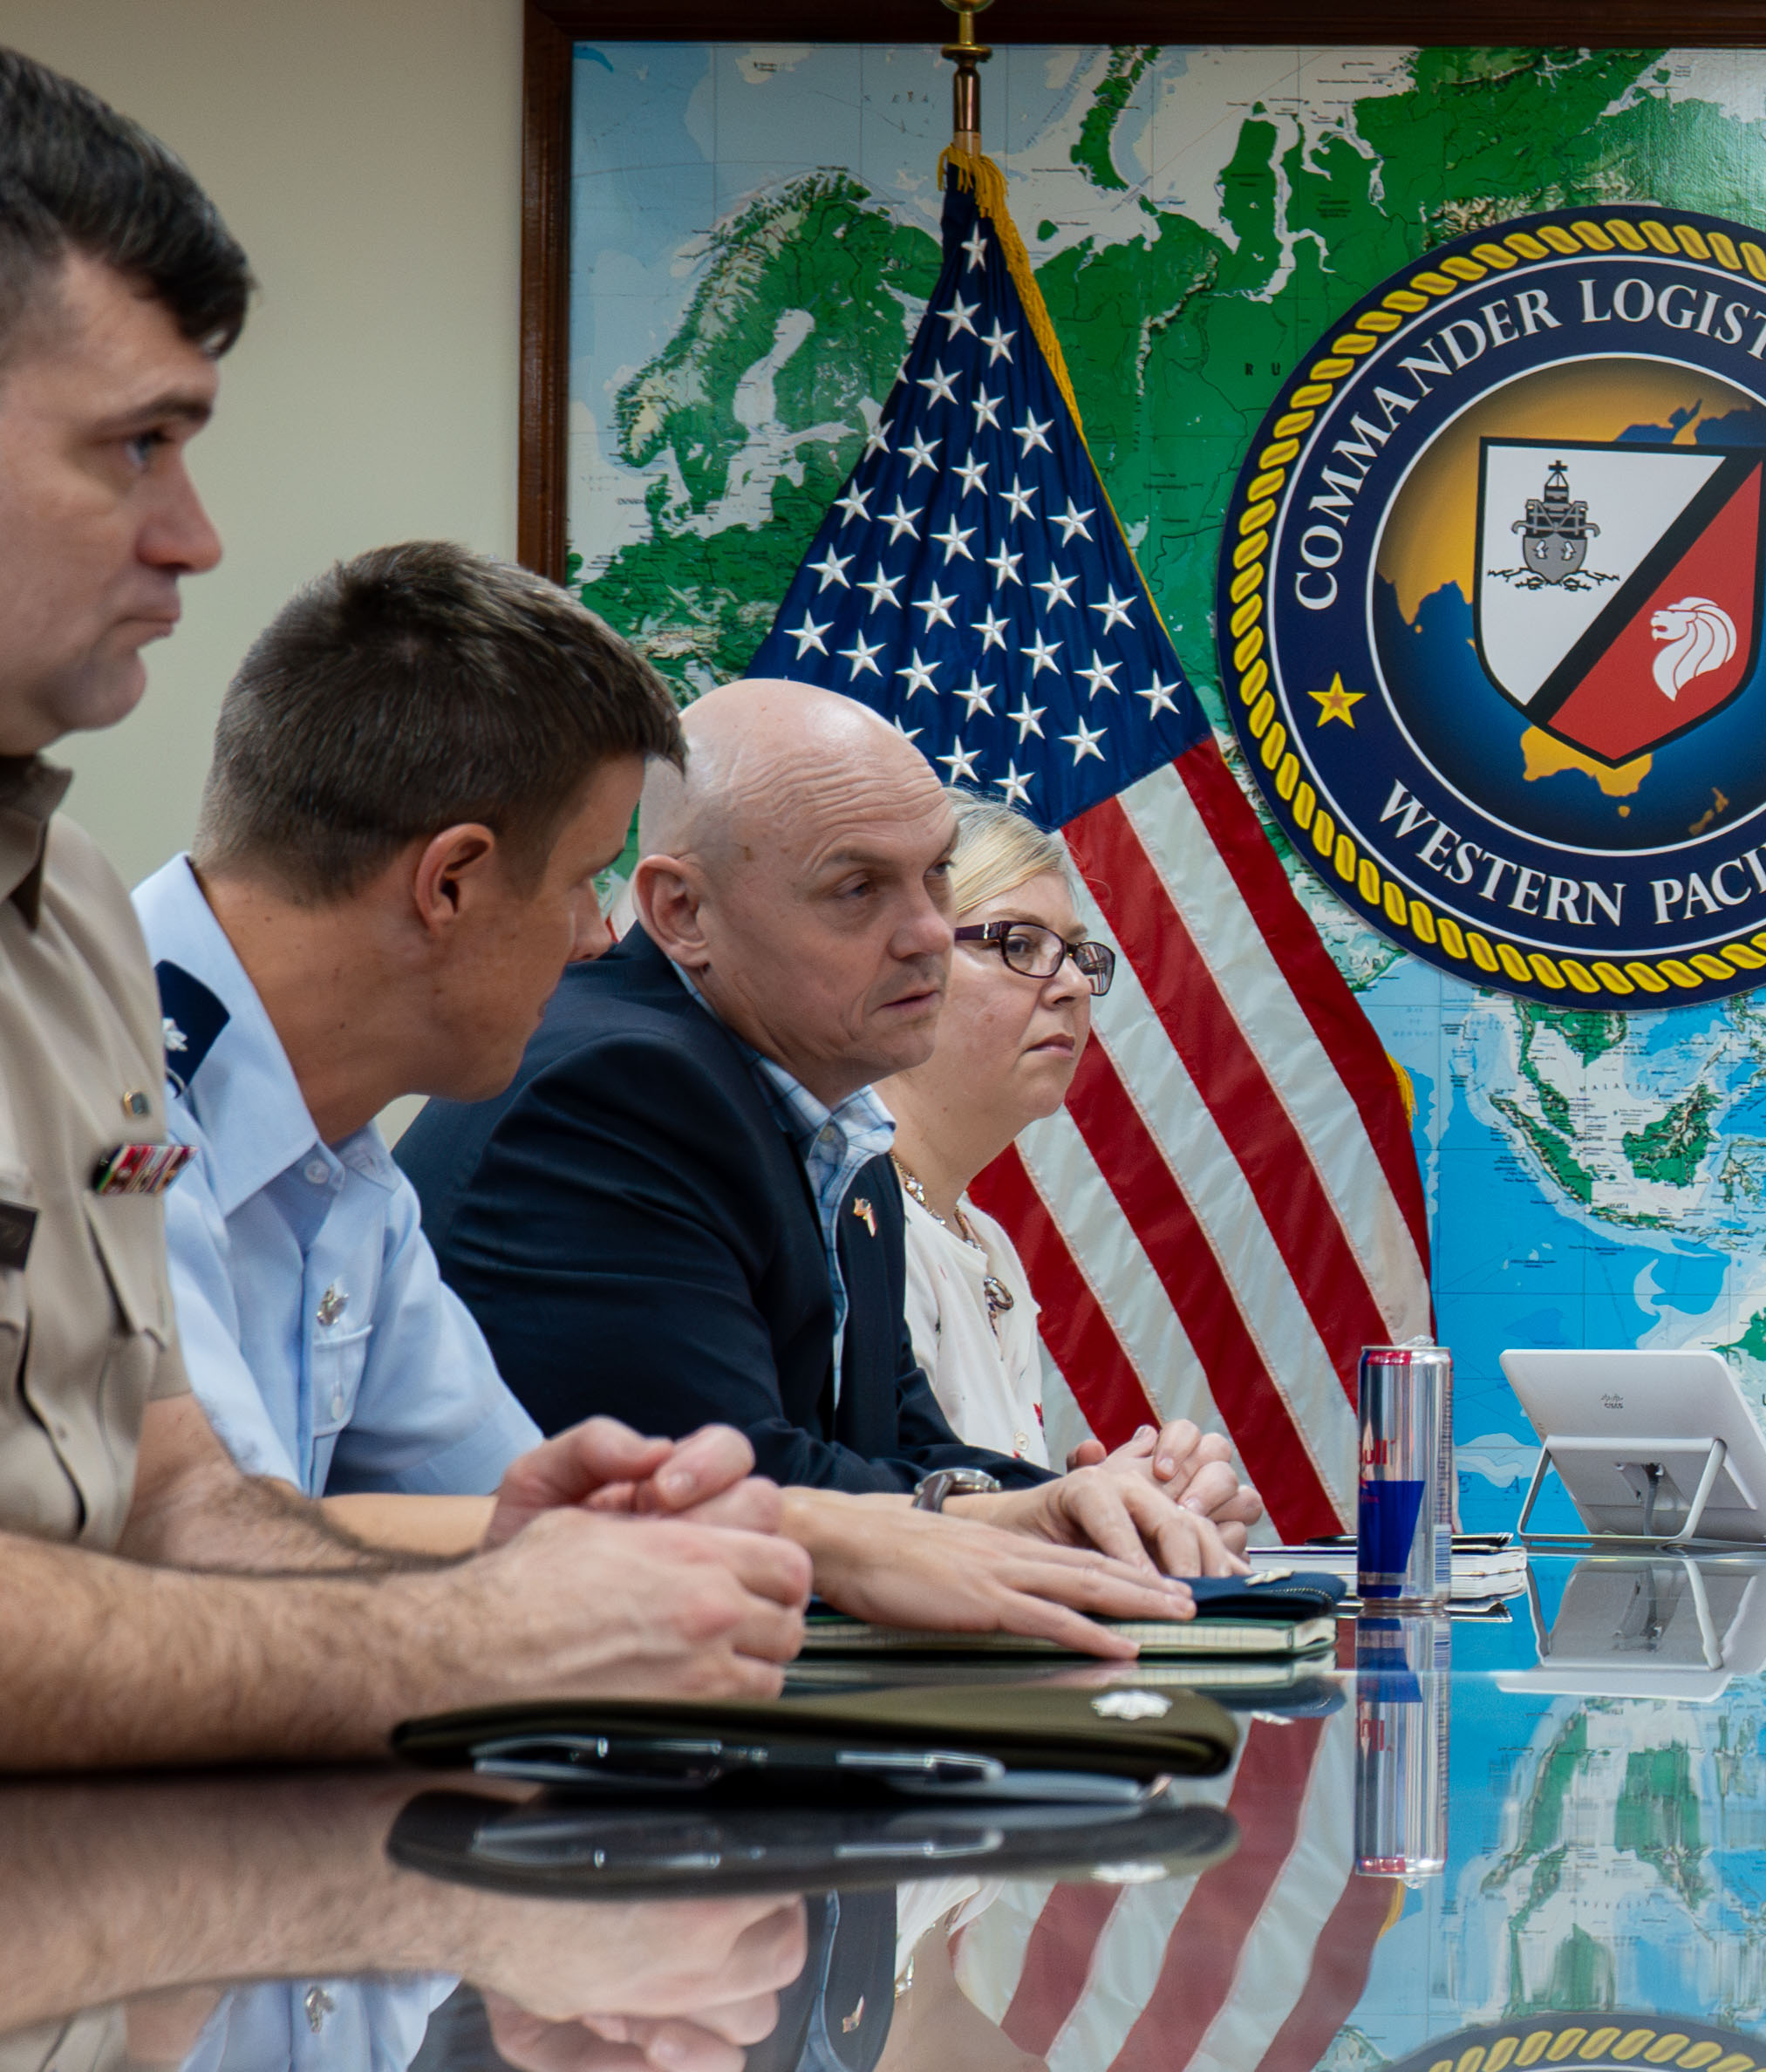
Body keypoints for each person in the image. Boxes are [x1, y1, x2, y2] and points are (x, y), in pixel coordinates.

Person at [0, 48, 822, 1769]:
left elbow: (178, 1517)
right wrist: (470, 1631)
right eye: (132, 446)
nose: (197, 536)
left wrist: (529, 1550)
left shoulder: (63, 922)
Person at [141, 547, 1189, 1651]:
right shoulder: (89, 1086)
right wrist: (807, 1529)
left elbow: (516, 1510)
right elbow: (200, 1557)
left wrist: (968, 1516)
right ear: (449, 882)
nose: (601, 937)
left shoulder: (338, 1161)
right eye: (587, 879)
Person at [423, 678, 1251, 1570]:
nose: (930, 931)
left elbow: (904, 1457)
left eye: (935, 874)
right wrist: (1038, 1521)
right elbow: (728, 1495)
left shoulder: (832, 1123)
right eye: (858, 887)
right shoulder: (619, 1091)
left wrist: (1105, 1503)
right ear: (682, 912)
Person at [879, 794, 1101, 1462]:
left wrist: (1109, 1510)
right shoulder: (855, 1222)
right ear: (904, 968)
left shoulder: (986, 1243)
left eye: (1076, 952)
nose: (1074, 986)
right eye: (1020, 943)